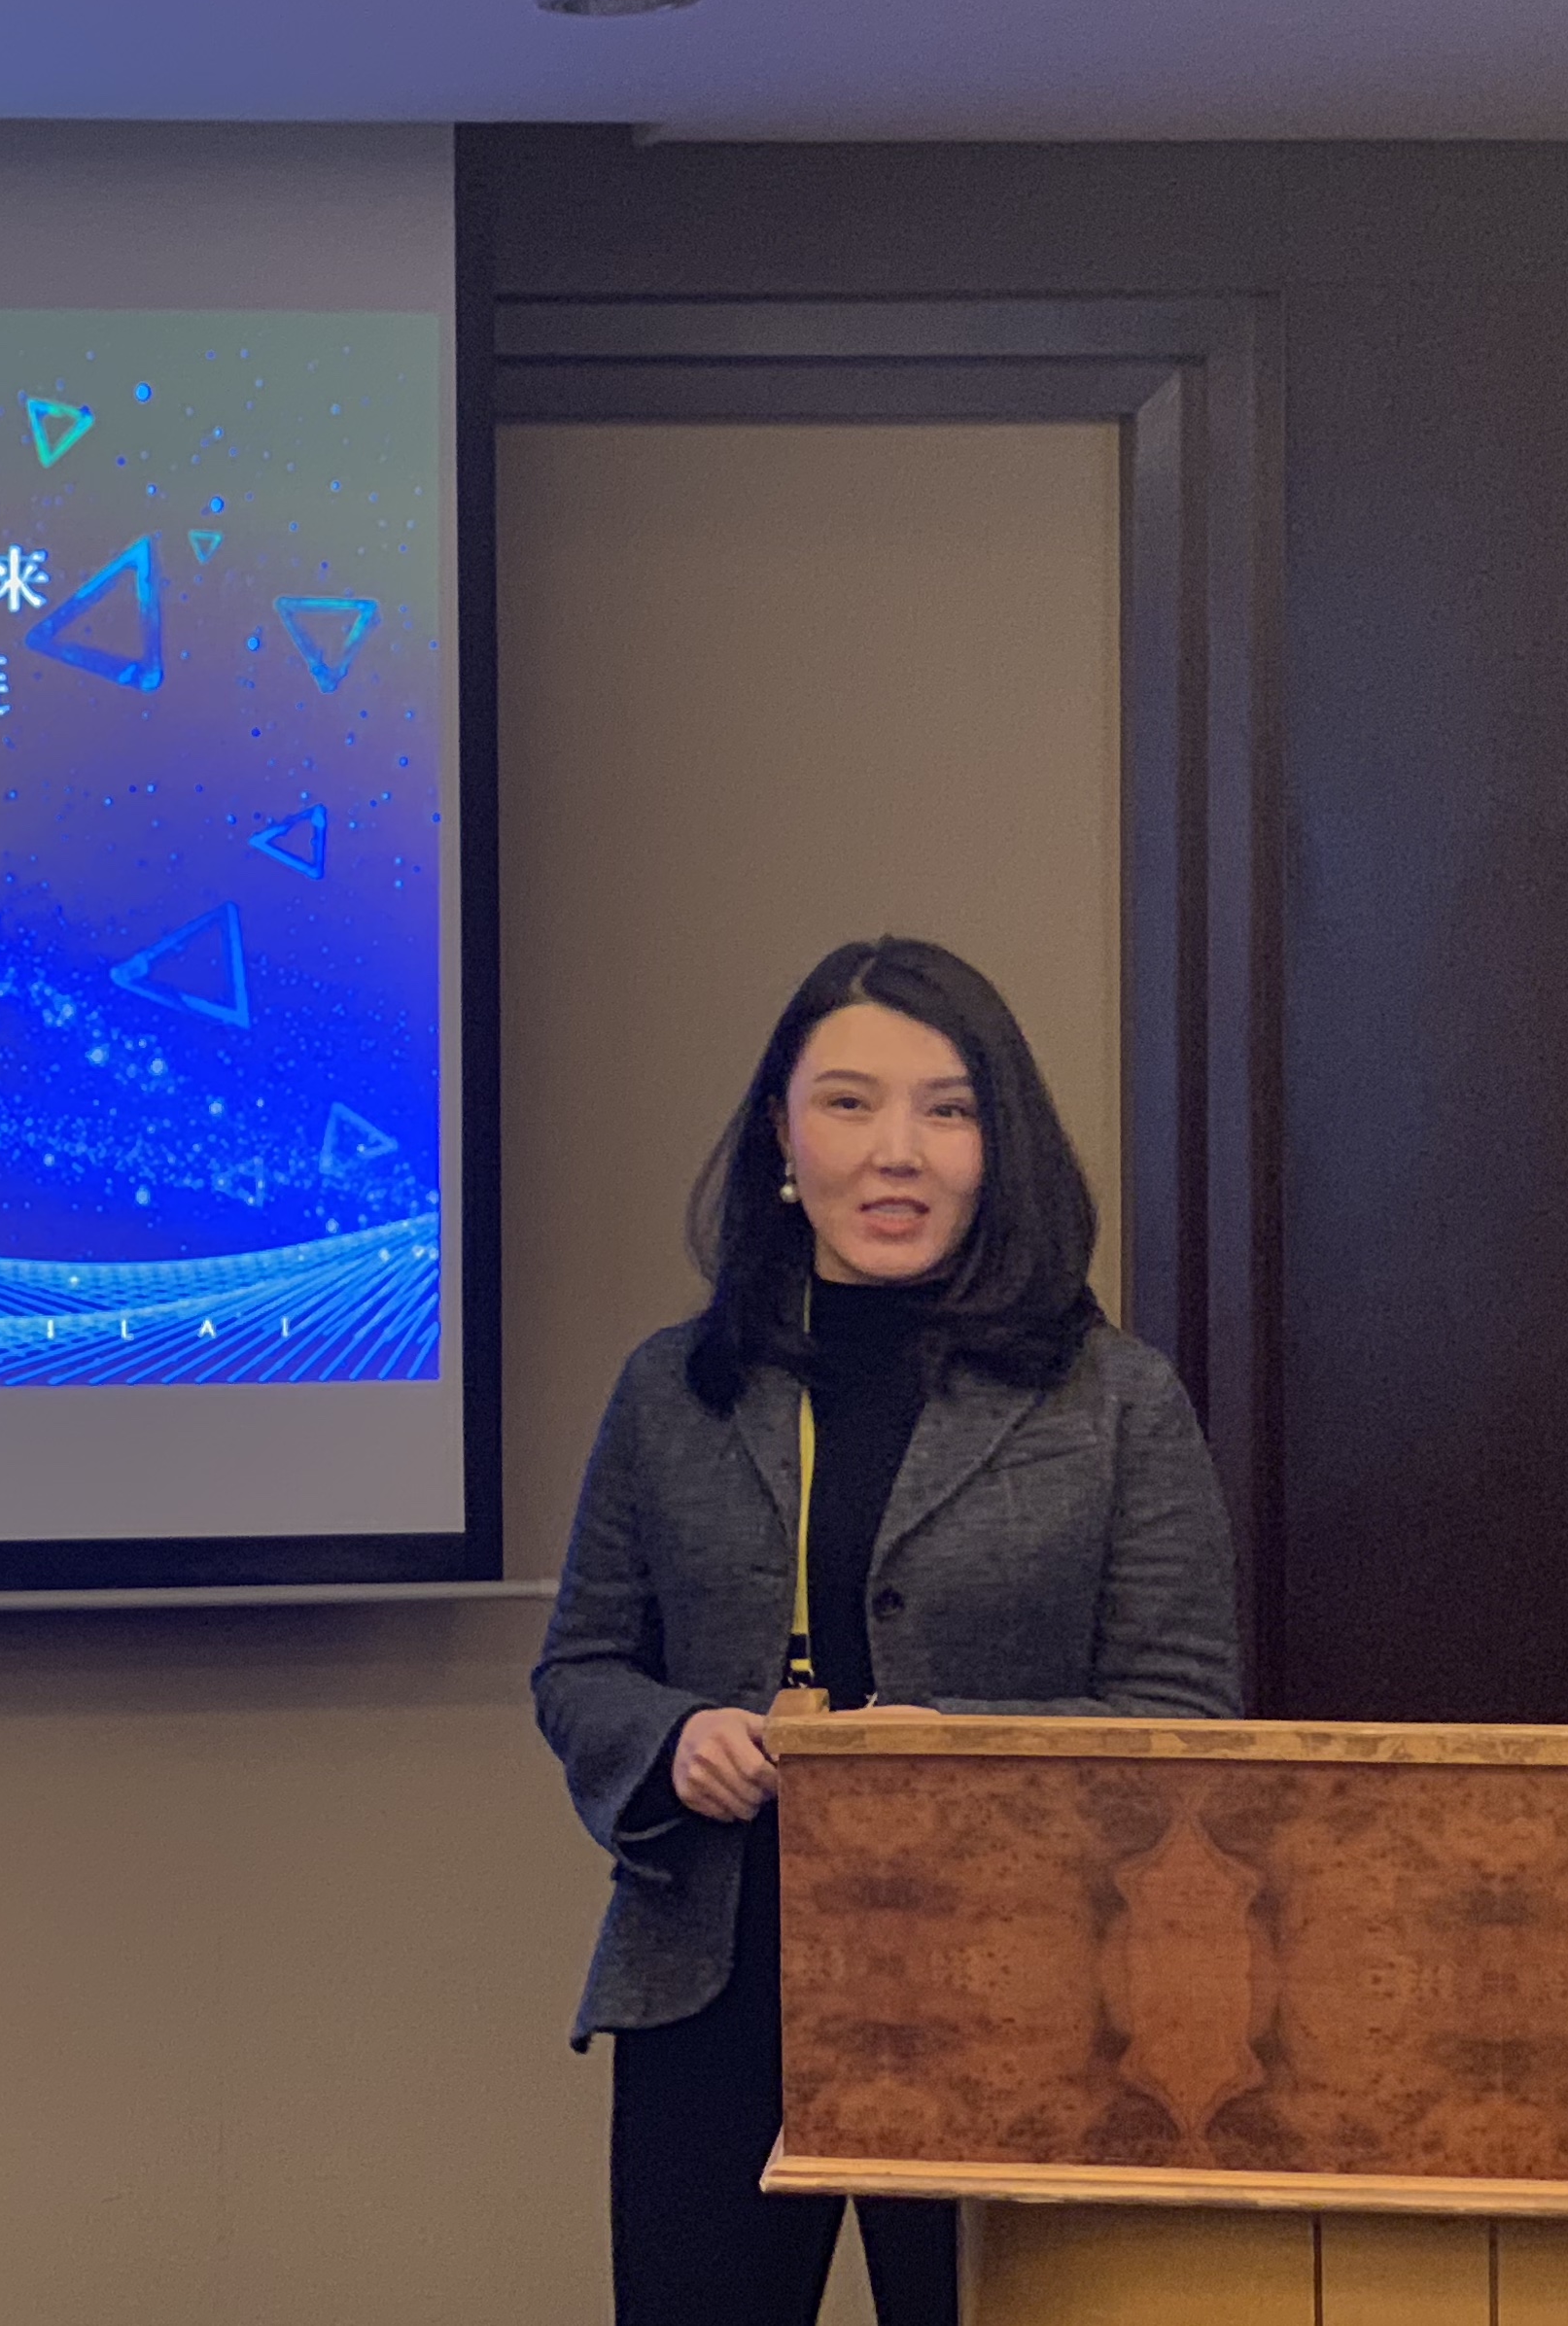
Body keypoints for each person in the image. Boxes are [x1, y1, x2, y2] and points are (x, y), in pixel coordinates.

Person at [531, 937, 1240, 2326]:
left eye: (948, 1108)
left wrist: (950, 1757)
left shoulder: (1113, 1400)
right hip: (717, 1982)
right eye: (848, 1103)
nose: (895, 1151)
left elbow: (1187, 1714)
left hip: (1023, 1990)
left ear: (999, 1146)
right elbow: (581, 1667)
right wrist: (675, 1737)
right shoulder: (676, 1388)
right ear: (782, 1136)